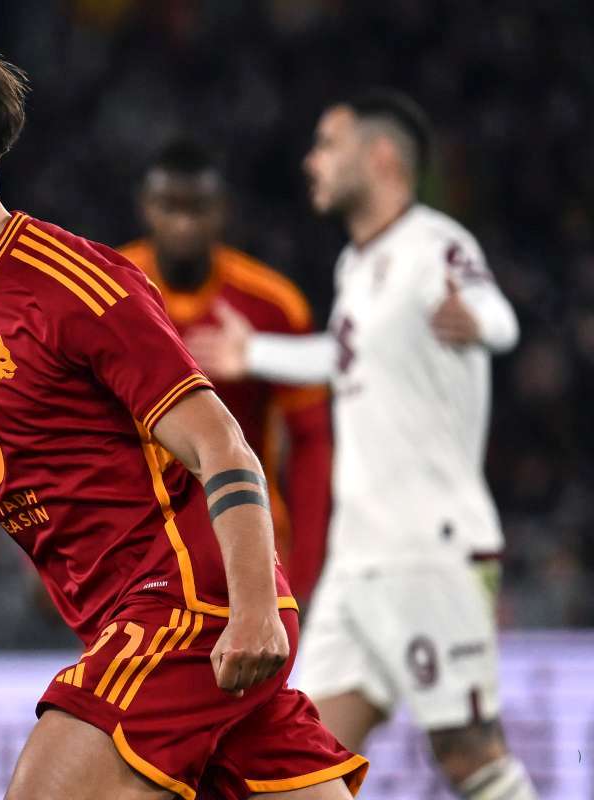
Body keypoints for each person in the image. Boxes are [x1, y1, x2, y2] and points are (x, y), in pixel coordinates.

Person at [0, 35, 367, 800]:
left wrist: (256, 609)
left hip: (190, 606)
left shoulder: (75, 286)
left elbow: (222, 446)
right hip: (143, 629)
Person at [186, 90, 535, 799]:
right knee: (300, 763)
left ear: (380, 157)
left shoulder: (434, 244)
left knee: (470, 756)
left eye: (327, 144)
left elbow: (495, 313)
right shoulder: (356, 265)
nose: (312, 161)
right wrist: (255, 354)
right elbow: (346, 358)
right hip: (358, 559)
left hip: (429, 547)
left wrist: (483, 323)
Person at [120, 143, 332, 604]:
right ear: (146, 208)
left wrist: (306, 570)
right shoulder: (107, 292)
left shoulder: (272, 305)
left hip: (248, 544)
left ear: (221, 211)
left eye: (196, 209)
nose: (183, 224)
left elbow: (311, 441)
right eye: (170, 207)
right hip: (136, 549)